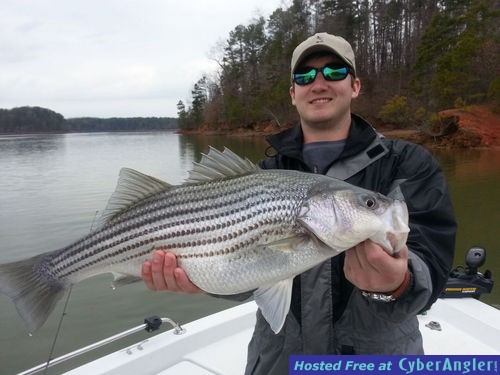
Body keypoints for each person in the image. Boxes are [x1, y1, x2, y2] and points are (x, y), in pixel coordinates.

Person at [141, 33, 456, 374]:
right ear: (293, 94)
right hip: (280, 362)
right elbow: (245, 274)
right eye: (304, 76)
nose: (318, 83)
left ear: (355, 86)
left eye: (334, 72)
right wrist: (201, 278)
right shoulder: (264, 174)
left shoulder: (408, 164)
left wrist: (400, 283)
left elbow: (433, 266)